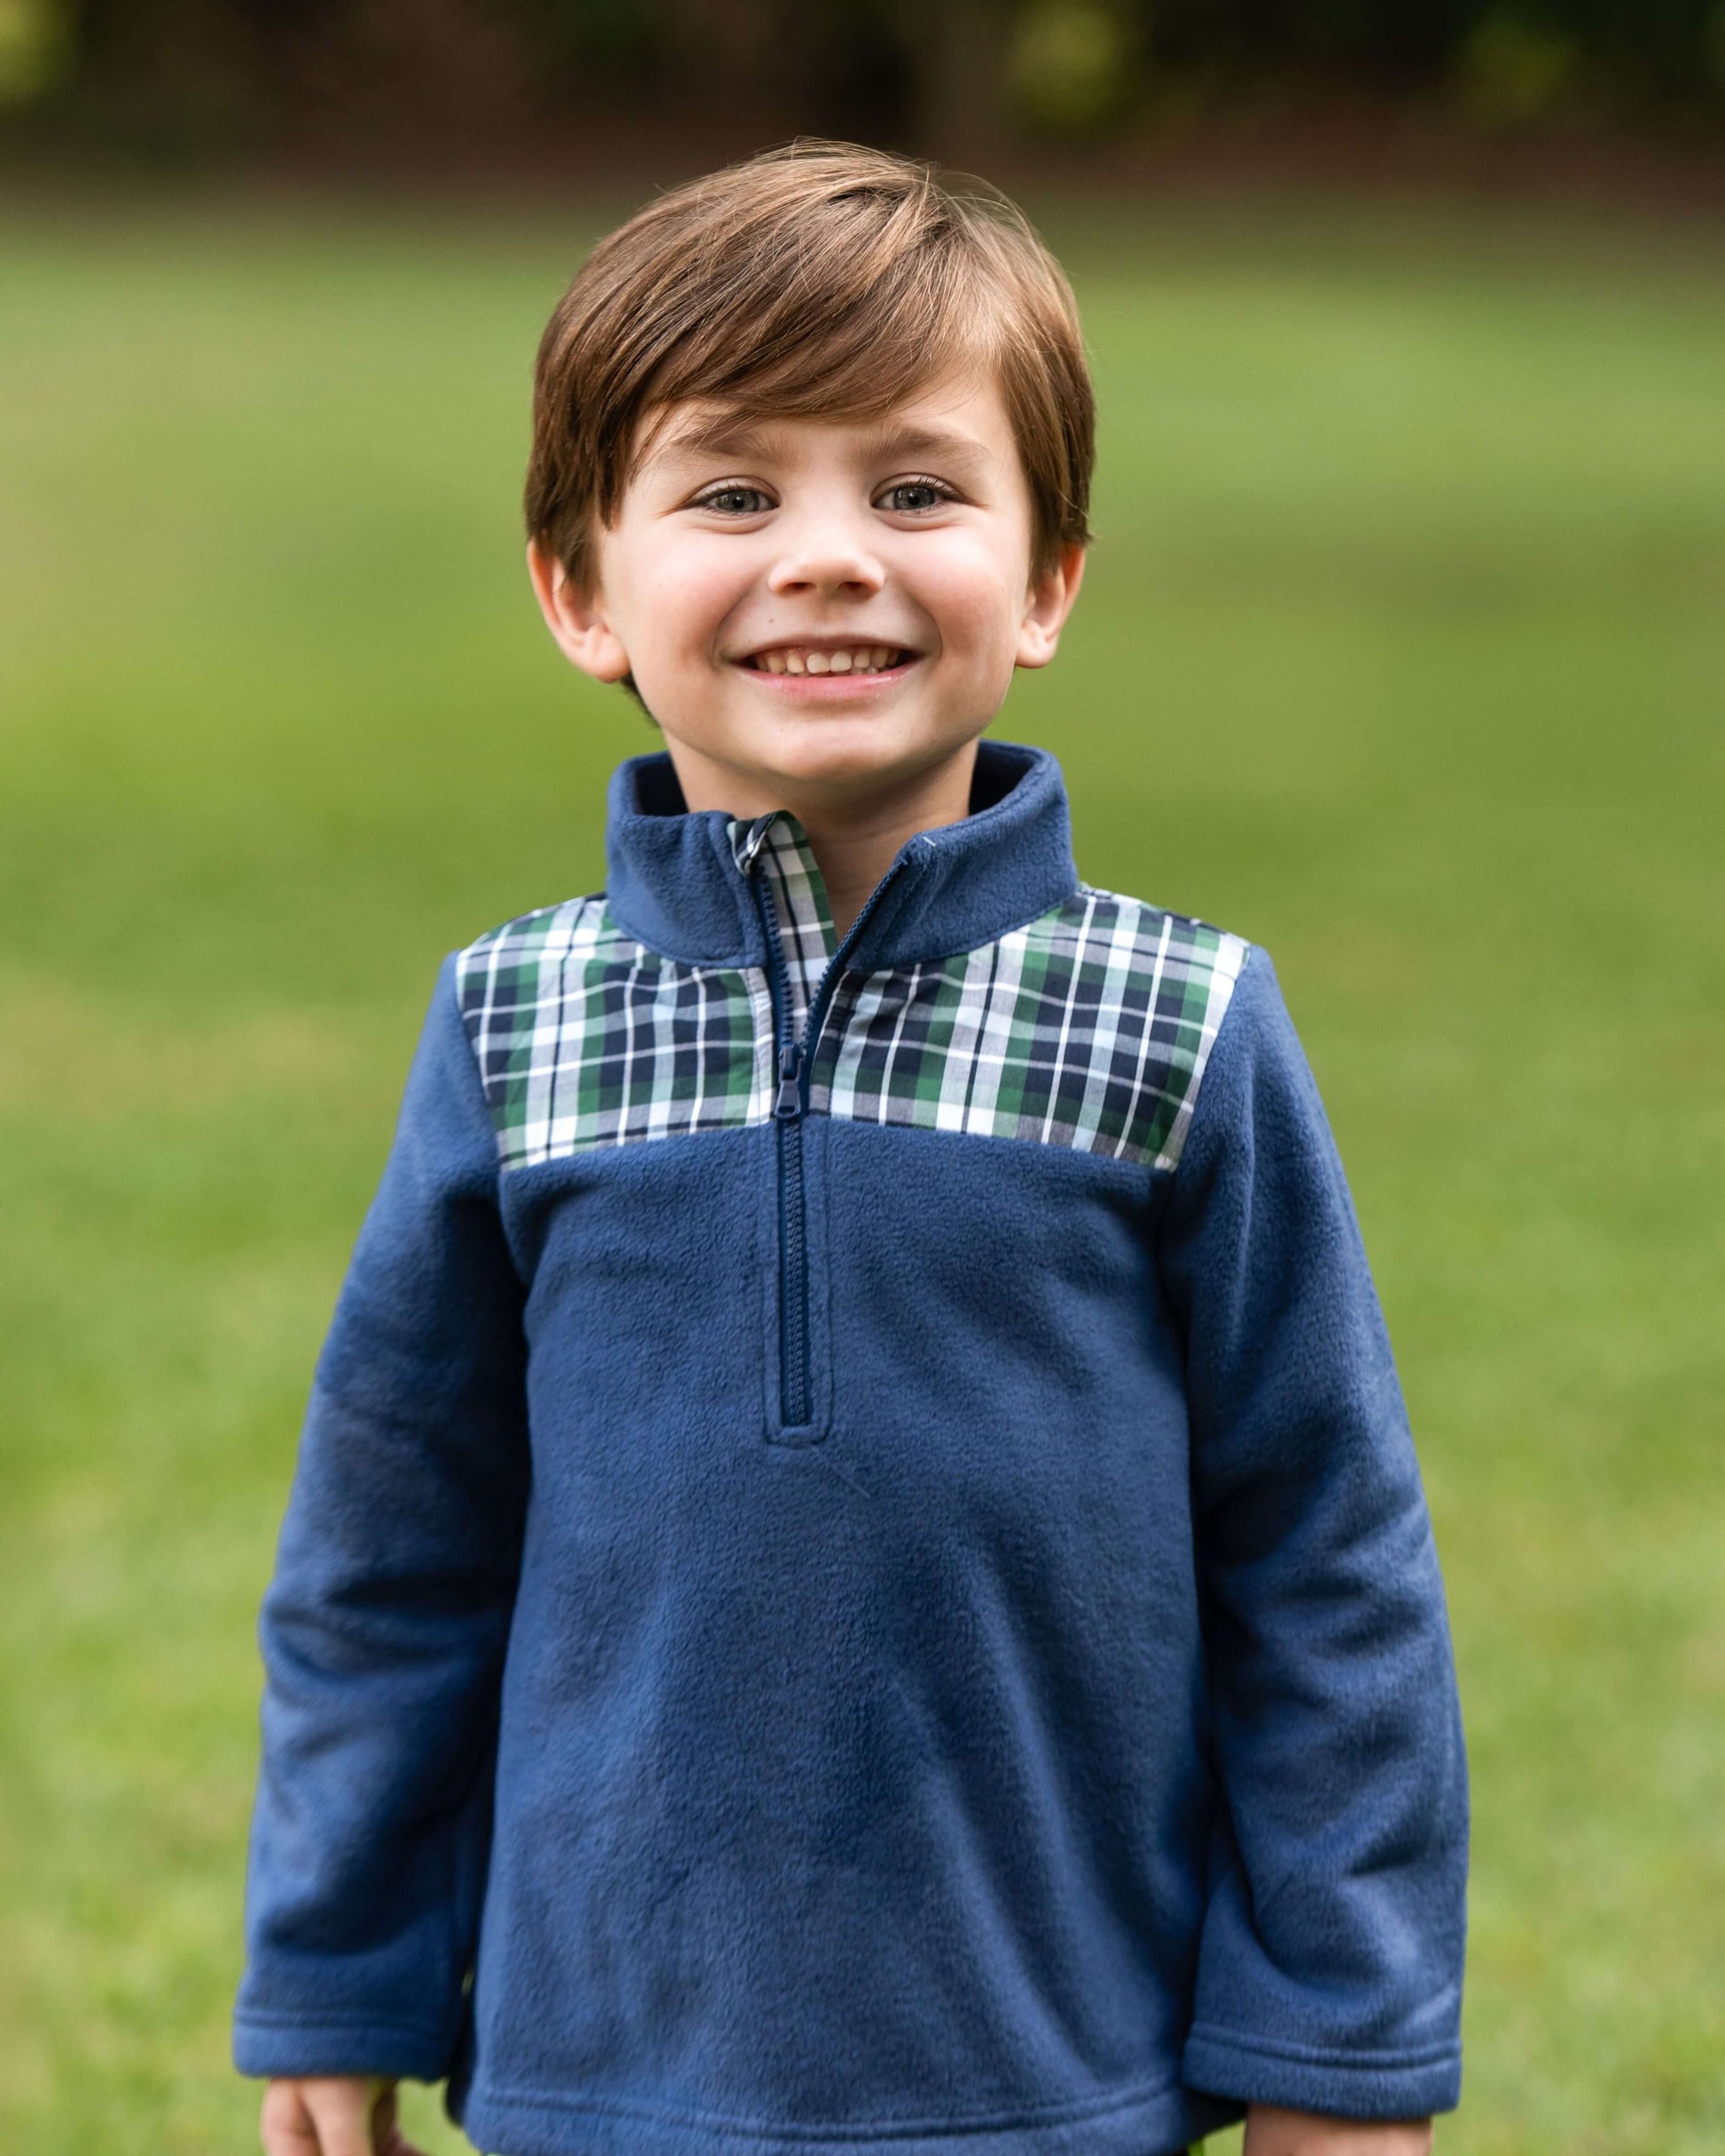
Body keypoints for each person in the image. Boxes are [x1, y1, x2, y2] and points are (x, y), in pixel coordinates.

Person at [232, 140, 1468, 2156]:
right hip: (600, 2076)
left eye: (913, 489)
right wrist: (336, 1977)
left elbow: (1324, 1564)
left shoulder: (1176, 1024)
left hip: (1055, 2069)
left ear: (1047, 578)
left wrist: (1336, 2047)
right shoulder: (514, 1027)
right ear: (579, 589)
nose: (826, 554)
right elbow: (391, 1561)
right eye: (733, 492)